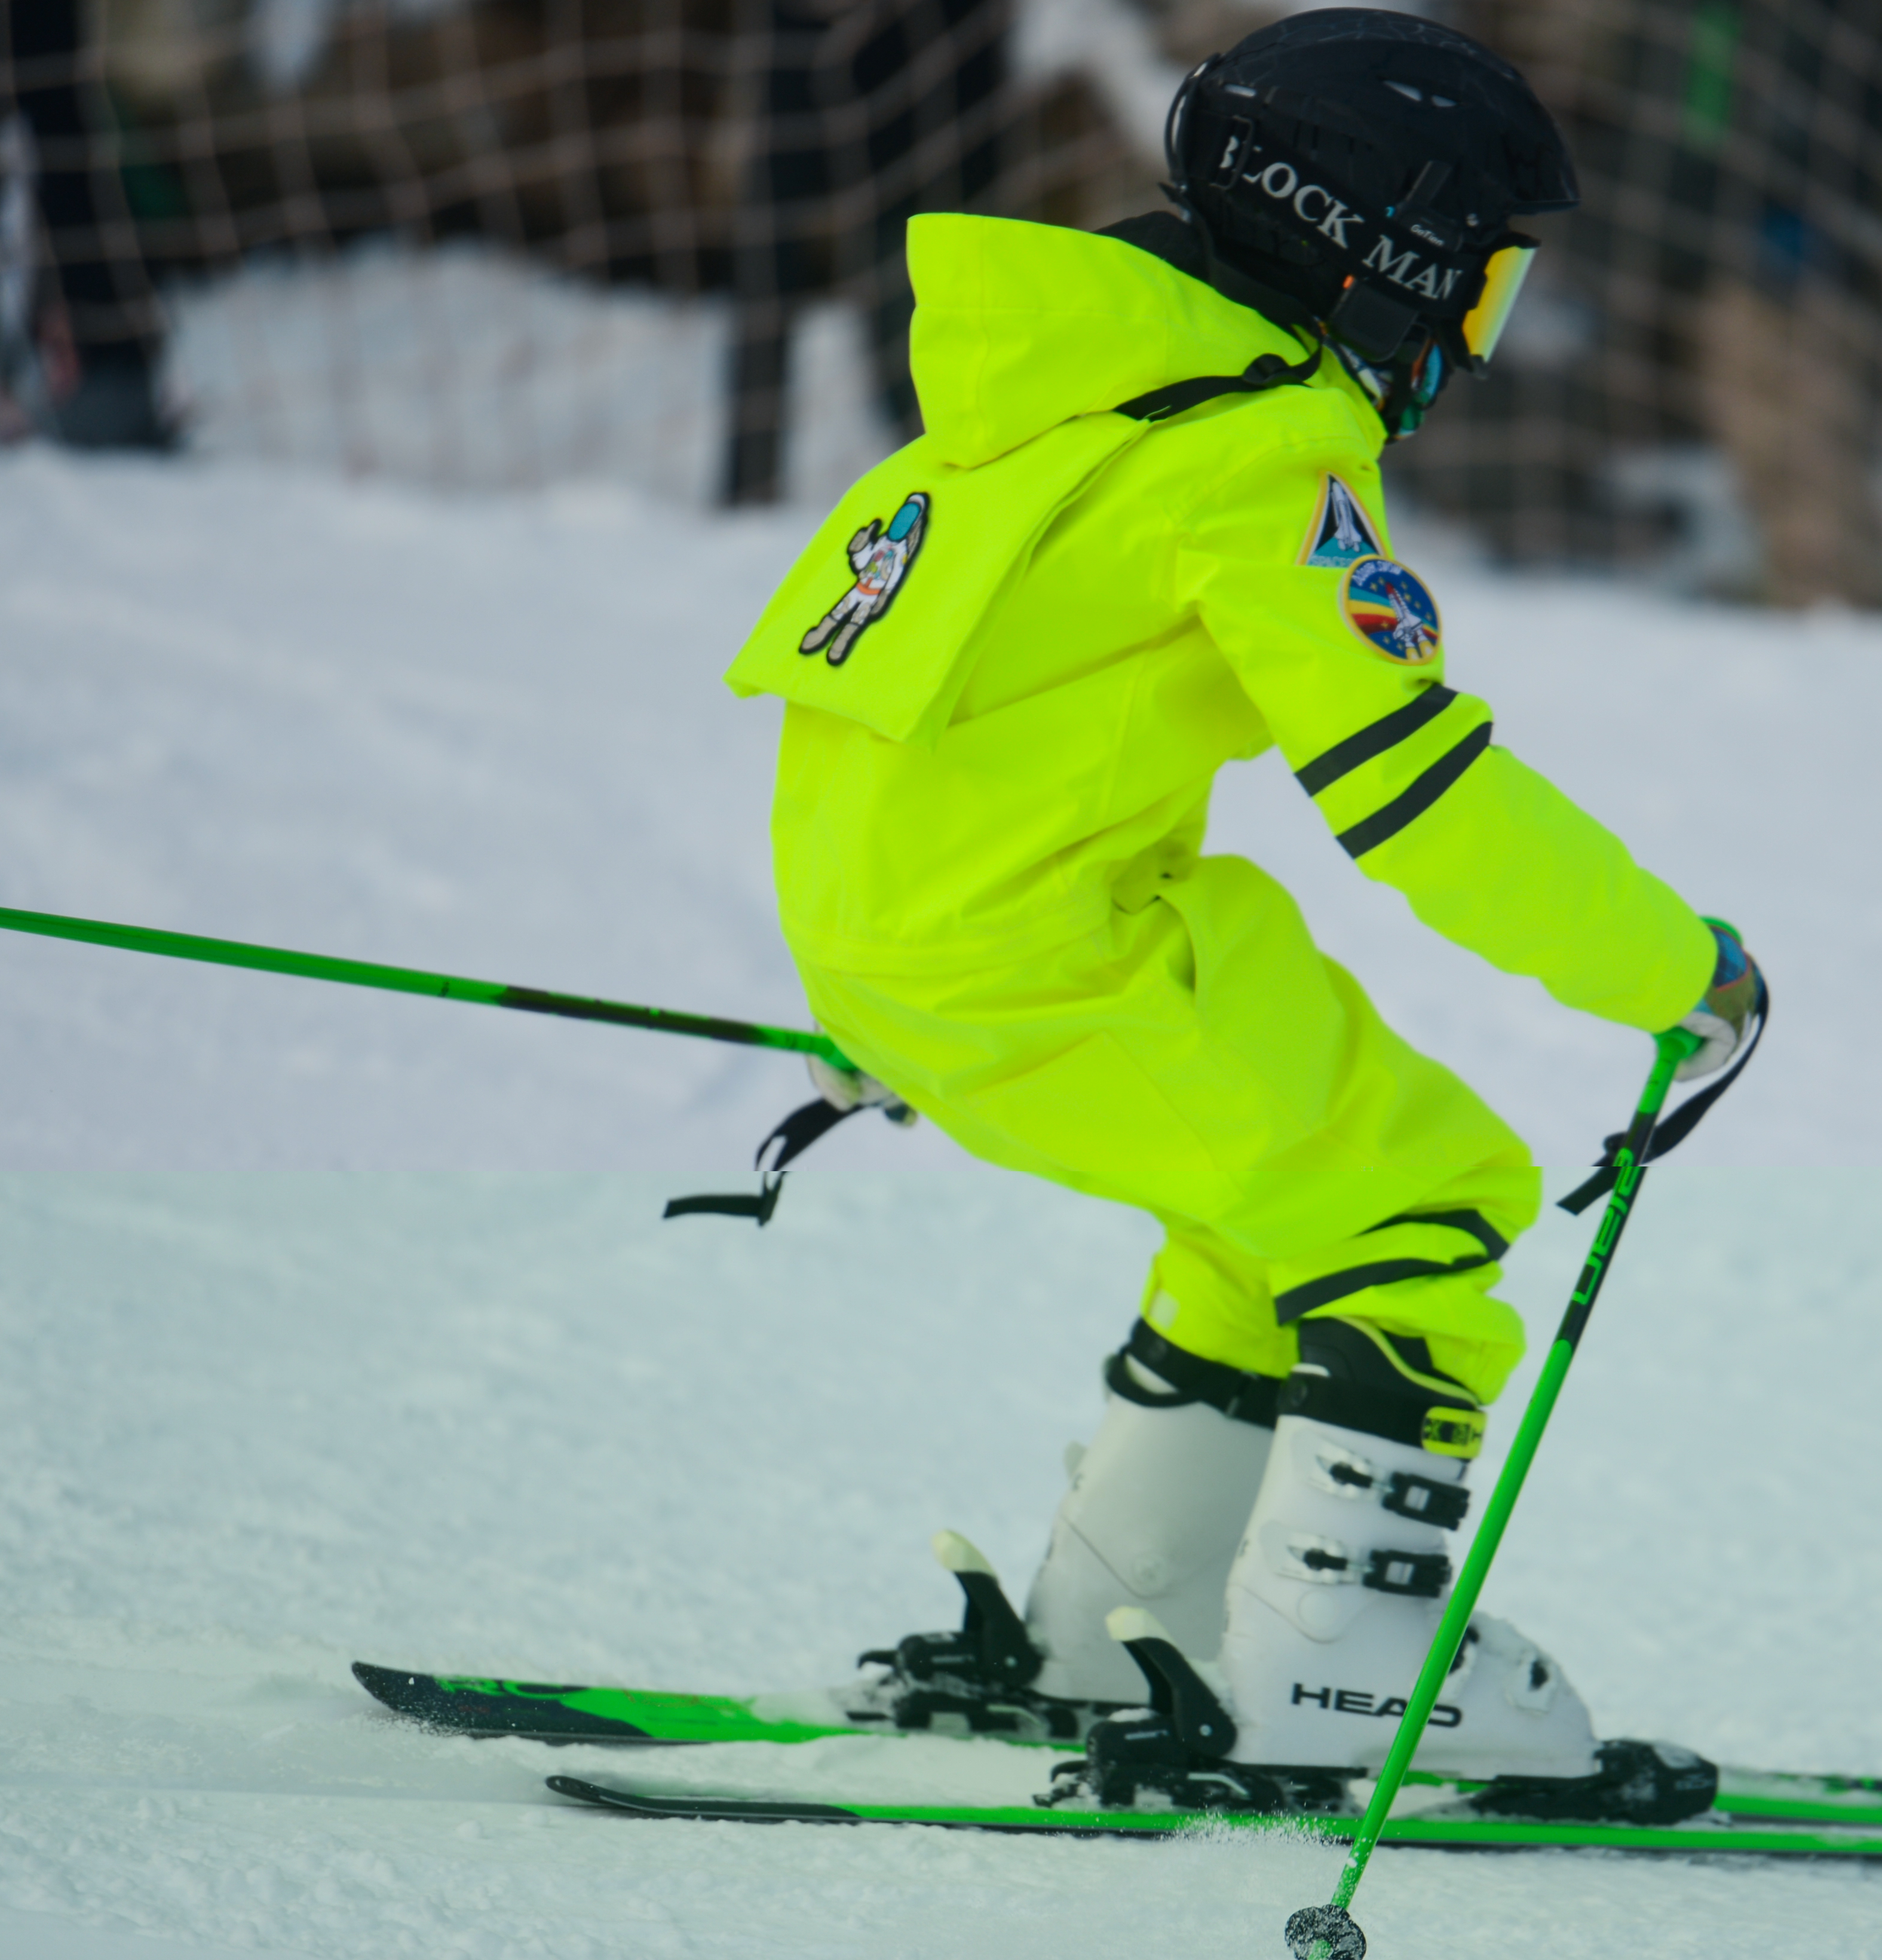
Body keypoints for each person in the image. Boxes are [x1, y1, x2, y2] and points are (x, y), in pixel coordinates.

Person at [724, 8, 1760, 1818]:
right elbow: (1415, 794)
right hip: (1052, 951)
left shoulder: (1019, 415)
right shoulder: (1258, 461)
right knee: (1424, 1197)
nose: (1473, 343)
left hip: (937, 936)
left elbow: (865, 704)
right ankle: (1345, 1672)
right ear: (1385, 250)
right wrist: (1680, 973)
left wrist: (890, 998)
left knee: (1259, 1221)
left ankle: (1107, 1627)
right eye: (1484, 291)